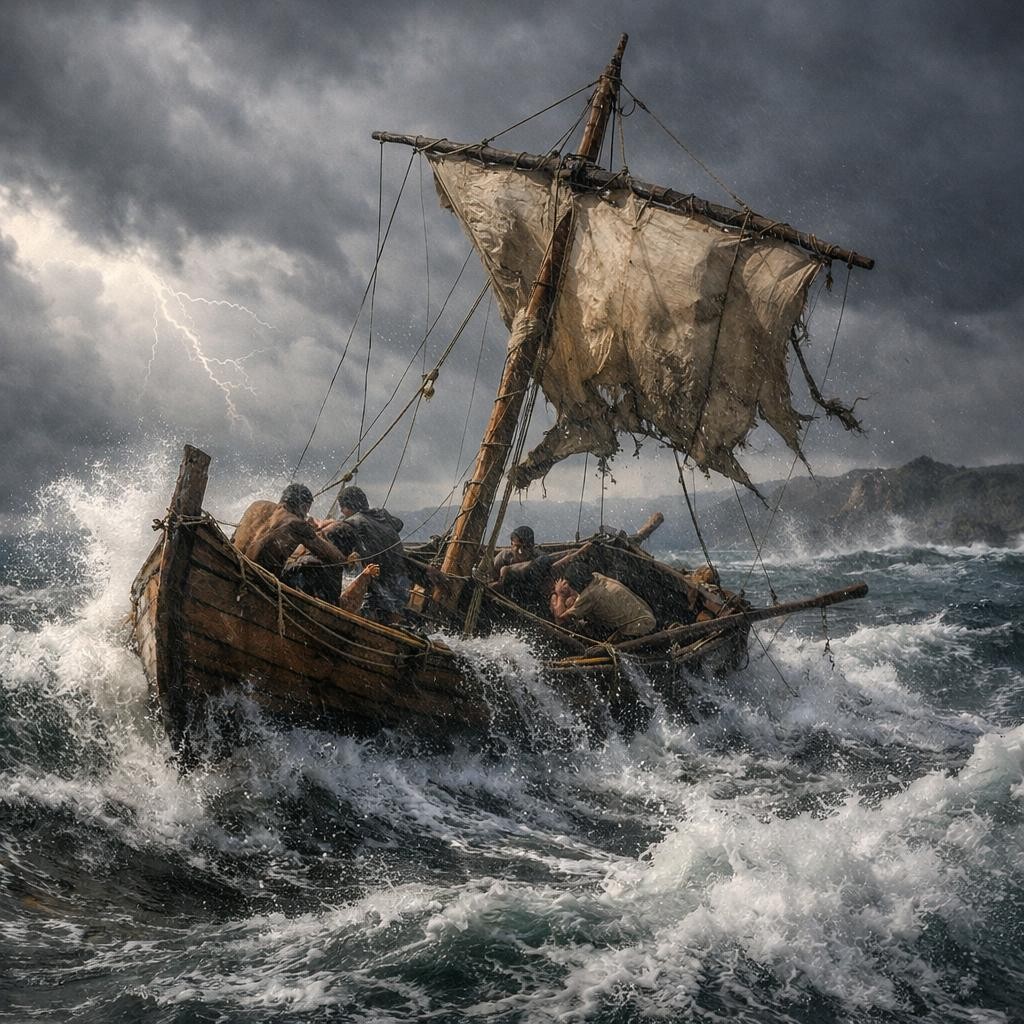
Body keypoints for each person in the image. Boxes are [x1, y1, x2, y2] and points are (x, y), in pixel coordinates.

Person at [320, 485, 410, 623]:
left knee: (357, 612)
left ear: (346, 507)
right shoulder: (382, 514)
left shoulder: (352, 523)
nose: (342, 512)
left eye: (342, 508)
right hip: (404, 585)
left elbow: (334, 536)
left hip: (382, 590)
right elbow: (399, 524)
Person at [238, 484, 343, 584]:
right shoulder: (296, 524)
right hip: (257, 579)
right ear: (304, 507)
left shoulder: (257, 505)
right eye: (306, 511)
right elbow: (331, 555)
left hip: (235, 563)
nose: (306, 515)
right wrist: (347, 560)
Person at [549, 563, 656, 640]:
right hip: (648, 618)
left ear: (576, 584)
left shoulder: (590, 595)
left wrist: (560, 595)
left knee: (585, 629)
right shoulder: (597, 577)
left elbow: (560, 619)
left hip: (637, 629)